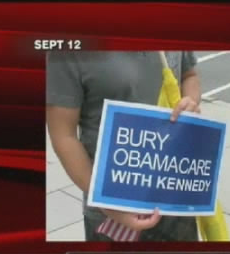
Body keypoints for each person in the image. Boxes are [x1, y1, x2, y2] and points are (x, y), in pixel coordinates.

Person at [46, 51, 201, 241]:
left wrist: (190, 103)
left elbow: (189, 75)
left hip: (176, 197)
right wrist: (106, 201)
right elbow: (63, 135)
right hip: (112, 213)